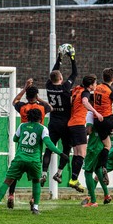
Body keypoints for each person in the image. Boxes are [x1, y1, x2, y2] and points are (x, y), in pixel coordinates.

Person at [0, 108, 68, 215]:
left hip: (19, 159)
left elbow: (15, 139)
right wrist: (61, 153)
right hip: (34, 161)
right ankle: (35, 208)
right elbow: (48, 143)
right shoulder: (42, 128)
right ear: (40, 118)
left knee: (7, 181)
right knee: (36, 182)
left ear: (28, 117)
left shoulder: (22, 126)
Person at [7, 79, 52, 209]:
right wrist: (39, 99)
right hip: (37, 141)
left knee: (15, 170)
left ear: (27, 96)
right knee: (35, 174)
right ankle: (33, 198)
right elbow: (50, 107)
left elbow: (14, 101)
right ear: (36, 95)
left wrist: (24, 88)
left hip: (23, 141)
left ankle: (11, 194)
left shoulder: (22, 107)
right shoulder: (42, 107)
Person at [41, 44, 77, 187]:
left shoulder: (48, 86)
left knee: (49, 149)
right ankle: (59, 173)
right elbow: (74, 74)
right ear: (61, 78)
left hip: (53, 123)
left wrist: (59, 58)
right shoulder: (65, 87)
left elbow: (54, 72)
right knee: (66, 149)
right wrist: (72, 58)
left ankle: (44, 173)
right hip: (66, 123)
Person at [67, 74, 103, 193]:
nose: (96, 85)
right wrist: (95, 112)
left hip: (71, 124)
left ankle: (73, 179)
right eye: (95, 83)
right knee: (82, 153)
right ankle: (74, 179)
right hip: (78, 123)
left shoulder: (77, 89)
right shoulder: (85, 93)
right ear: (90, 85)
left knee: (77, 153)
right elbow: (85, 101)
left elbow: (72, 94)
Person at [81, 111, 111, 207]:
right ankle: (106, 195)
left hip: (93, 148)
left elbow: (88, 130)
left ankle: (93, 200)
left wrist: (80, 131)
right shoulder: (103, 114)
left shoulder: (90, 114)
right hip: (101, 146)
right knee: (98, 170)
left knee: (87, 172)